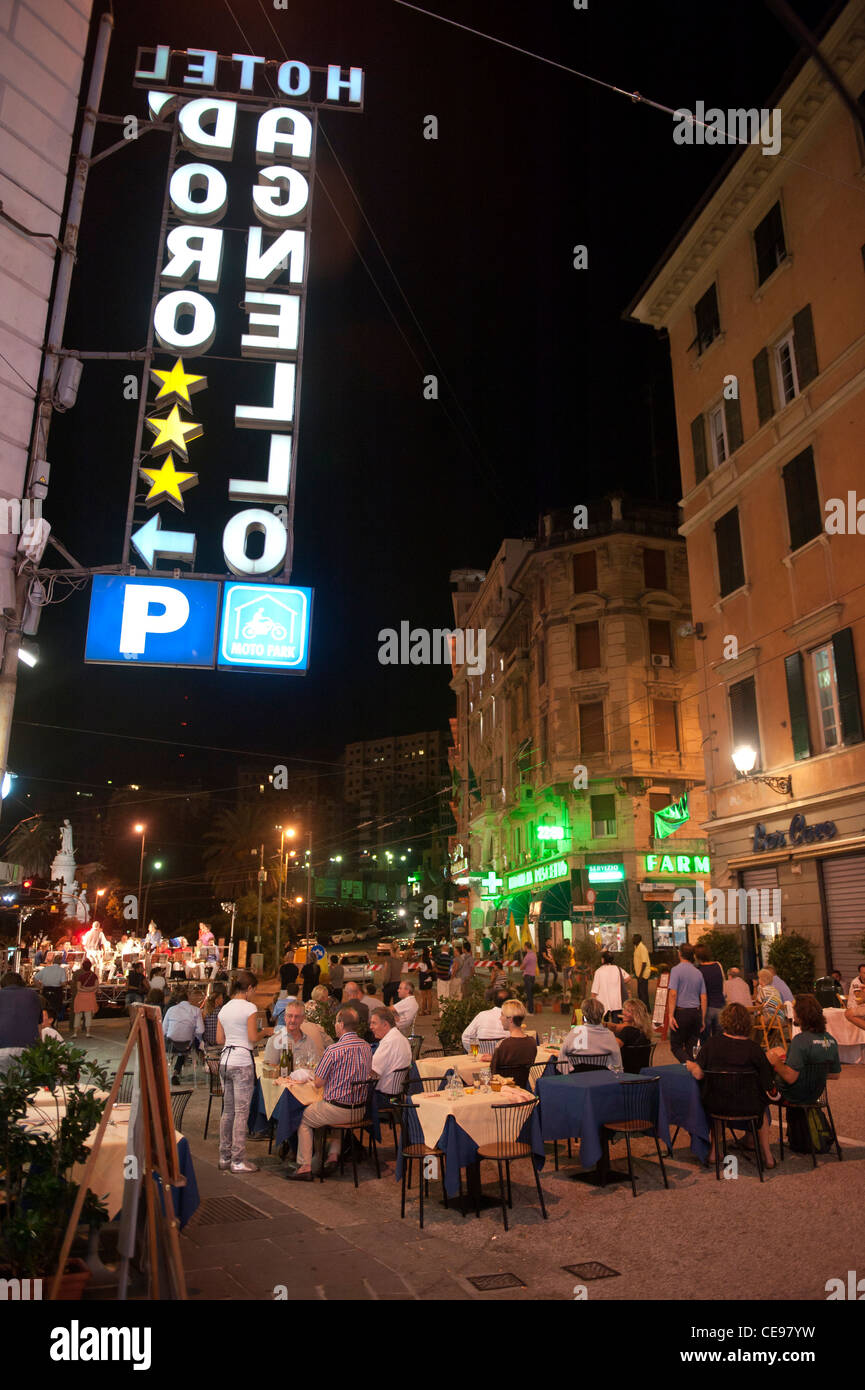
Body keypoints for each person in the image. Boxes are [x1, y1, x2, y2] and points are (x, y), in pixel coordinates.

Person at [685, 1002, 777, 1170]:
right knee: (762, 1109)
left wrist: (691, 1066)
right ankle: (768, 1156)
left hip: (719, 1104)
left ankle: (714, 1151)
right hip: (749, 1106)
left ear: (724, 1021)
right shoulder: (754, 1049)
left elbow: (698, 1074)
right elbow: (767, 1083)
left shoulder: (712, 1044)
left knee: (717, 1108)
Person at [286, 1006, 373, 1181]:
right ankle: (333, 1155)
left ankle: (305, 1166)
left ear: (340, 1025)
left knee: (302, 1118)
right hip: (360, 1110)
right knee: (329, 1114)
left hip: (338, 1111)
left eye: (335, 1023)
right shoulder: (366, 1046)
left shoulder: (334, 1050)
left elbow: (318, 1083)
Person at [216, 971, 263, 1174]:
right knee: (242, 1113)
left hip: (225, 1061)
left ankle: (224, 1157)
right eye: (255, 990)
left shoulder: (224, 1009)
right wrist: (266, 1032)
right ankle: (238, 1160)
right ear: (250, 988)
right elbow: (253, 1036)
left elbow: (219, 1039)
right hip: (242, 1061)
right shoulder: (249, 1008)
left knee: (228, 1111)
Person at [766, 994, 841, 1103]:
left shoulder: (800, 1041)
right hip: (815, 1094)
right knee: (780, 1051)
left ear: (801, 1014)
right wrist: (812, 1074)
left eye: (794, 1010)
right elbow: (835, 1074)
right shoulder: (831, 1040)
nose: (793, 1013)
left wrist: (776, 1062)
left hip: (793, 1095)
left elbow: (790, 1078)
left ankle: (762, 1120)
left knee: (757, 1090)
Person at [558, 997, 623, 1072]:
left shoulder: (575, 1032)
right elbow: (617, 1065)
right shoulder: (610, 1035)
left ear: (584, 1017)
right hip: (603, 1080)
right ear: (601, 1016)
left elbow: (562, 1058)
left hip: (576, 1079)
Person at [666, 944, 707, 1063]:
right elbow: (703, 997)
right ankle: (692, 1070)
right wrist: (702, 1018)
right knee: (692, 1046)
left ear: (680, 954)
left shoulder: (675, 970)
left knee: (676, 1046)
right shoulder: (698, 972)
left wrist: (670, 1015)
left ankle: (688, 1064)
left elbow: (673, 994)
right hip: (695, 1012)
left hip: (681, 1013)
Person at [263, 998, 323, 1071]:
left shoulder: (309, 1042)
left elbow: (315, 1067)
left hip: (305, 1081)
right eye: (290, 1016)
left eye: (297, 1017)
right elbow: (269, 1070)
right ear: (285, 1017)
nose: (293, 1020)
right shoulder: (274, 1041)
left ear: (303, 1019)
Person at [489, 999, 537, 1088]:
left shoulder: (503, 1045)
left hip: (501, 1090)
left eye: (502, 1015)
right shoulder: (532, 1042)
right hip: (522, 1089)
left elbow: (493, 1073)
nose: (500, 1018)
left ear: (510, 1019)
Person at [0, 971, 41, 1075]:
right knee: (25, 1084)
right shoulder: (33, 995)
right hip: (28, 1047)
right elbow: (39, 1024)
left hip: (2, 1046)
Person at [163, 987, 205, 1082]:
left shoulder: (171, 1010)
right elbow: (201, 1031)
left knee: (180, 1042)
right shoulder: (196, 1010)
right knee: (190, 1043)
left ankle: (175, 1071)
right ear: (188, 998)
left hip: (171, 1045)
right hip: (187, 1045)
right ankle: (204, 1065)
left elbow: (163, 1030)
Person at [369, 1007, 412, 1096]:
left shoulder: (388, 1042)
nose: (371, 1027)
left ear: (385, 1024)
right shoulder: (401, 1038)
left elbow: (372, 1071)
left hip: (384, 1096)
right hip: (398, 1093)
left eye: (374, 1023)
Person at [461, 985, 512, 1051]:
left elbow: (466, 1037)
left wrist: (476, 1052)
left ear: (493, 1001)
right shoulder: (512, 1017)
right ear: (511, 1002)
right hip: (504, 1059)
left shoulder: (482, 1015)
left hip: (482, 1059)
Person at [695, 943, 726, 1038]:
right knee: (720, 1039)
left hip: (706, 1007)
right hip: (720, 1005)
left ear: (696, 956)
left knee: (705, 1039)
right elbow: (723, 983)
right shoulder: (718, 965)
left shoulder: (698, 970)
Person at [590, 951, 630, 1023]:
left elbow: (594, 990)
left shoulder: (599, 971)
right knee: (616, 1023)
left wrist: (592, 1002)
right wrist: (619, 983)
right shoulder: (618, 969)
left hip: (603, 1003)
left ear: (603, 960)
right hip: (616, 1002)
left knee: (604, 1023)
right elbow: (628, 978)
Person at [71, 957, 99, 1038]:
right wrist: (90, 990)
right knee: (88, 1015)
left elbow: (78, 987)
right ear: (90, 966)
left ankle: (75, 1033)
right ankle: (88, 1033)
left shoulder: (81, 976)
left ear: (82, 967)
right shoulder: (94, 976)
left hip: (80, 996)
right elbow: (96, 986)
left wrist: (84, 989)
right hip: (90, 997)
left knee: (77, 1014)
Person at [632, 933, 651, 1006]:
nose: (632, 940)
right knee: (640, 993)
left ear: (637, 939)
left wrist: (640, 976)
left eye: (633, 938)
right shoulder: (636, 947)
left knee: (643, 994)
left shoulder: (642, 948)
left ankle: (646, 1010)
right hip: (639, 974)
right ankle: (645, 1009)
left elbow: (644, 963)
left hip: (643, 975)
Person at [433, 938, 454, 1003]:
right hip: (448, 978)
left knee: (441, 997)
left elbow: (434, 966)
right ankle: (447, 1011)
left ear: (442, 949)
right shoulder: (450, 958)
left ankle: (442, 1012)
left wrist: (437, 971)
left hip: (441, 979)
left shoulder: (439, 957)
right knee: (447, 996)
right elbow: (451, 969)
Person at [415, 946, 434, 1014]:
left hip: (423, 981)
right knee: (429, 996)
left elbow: (417, 970)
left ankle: (422, 1011)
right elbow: (433, 968)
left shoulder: (422, 963)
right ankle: (429, 1010)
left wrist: (415, 973)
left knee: (423, 997)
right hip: (430, 980)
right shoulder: (431, 961)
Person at [521, 942, 538, 1015]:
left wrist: (521, 967)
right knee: (531, 993)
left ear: (526, 947)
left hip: (527, 976)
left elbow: (522, 966)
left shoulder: (527, 956)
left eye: (524, 946)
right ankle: (531, 1009)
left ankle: (530, 1011)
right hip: (533, 976)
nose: (523, 948)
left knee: (529, 994)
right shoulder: (534, 955)